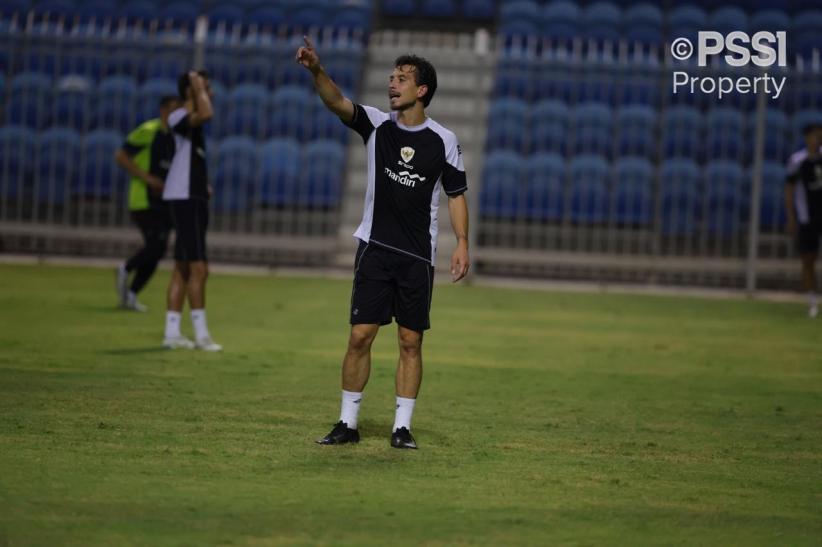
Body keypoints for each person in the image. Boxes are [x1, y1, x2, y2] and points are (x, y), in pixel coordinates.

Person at [296, 37, 470, 449]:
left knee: (411, 341)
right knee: (360, 335)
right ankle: (347, 422)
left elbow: (456, 193)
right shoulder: (376, 124)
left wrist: (462, 242)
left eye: (402, 78)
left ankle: (402, 428)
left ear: (421, 90)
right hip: (375, 248)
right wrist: (317, 70)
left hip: (416, 257)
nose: (392, 84)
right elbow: (338, 103)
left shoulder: (443, 140)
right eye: (391, 77)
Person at [161, 70, 221, 351]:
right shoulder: (177, 116)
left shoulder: (189, 122)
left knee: (183, 267)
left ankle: (172, 332)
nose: (208, 93)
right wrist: (197, 86)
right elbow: (206, 113)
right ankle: (202, 335)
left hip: (192, 195)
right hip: (184, 197)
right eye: (204, 87)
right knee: (200, 268)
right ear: (190, 91)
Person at [114, 95, 178, 312]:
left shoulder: (177, 137)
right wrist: (146, 177)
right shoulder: (148, 131)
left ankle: (131, 295)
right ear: (162, 111)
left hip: (166, 201)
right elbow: (122, 156)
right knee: (156, 245)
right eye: (172, 110)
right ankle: (126, 268)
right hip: (143, 199)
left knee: (158, 249)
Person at [785, 122, 822, 318]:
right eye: (815, 136)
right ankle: (812, 302)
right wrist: (791, 216)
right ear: (807, 138)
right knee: (808, 259)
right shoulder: (797, 161)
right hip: (807, 216)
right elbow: (789, 189)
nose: (817, 140)